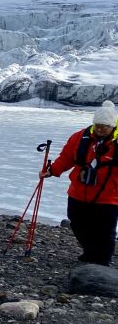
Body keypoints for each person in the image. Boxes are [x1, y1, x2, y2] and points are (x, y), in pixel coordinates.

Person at [40, 100, 118, 266]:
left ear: (113, 125)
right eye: (97, 125)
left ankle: (102, 263)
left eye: (105, 126)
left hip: (109, 197)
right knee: (77, 223)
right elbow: (66, 158)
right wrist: (52, 171)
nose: (100, 129)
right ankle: (90, 252)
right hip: (79, 192)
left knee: (105, 231)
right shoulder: (80, 137)